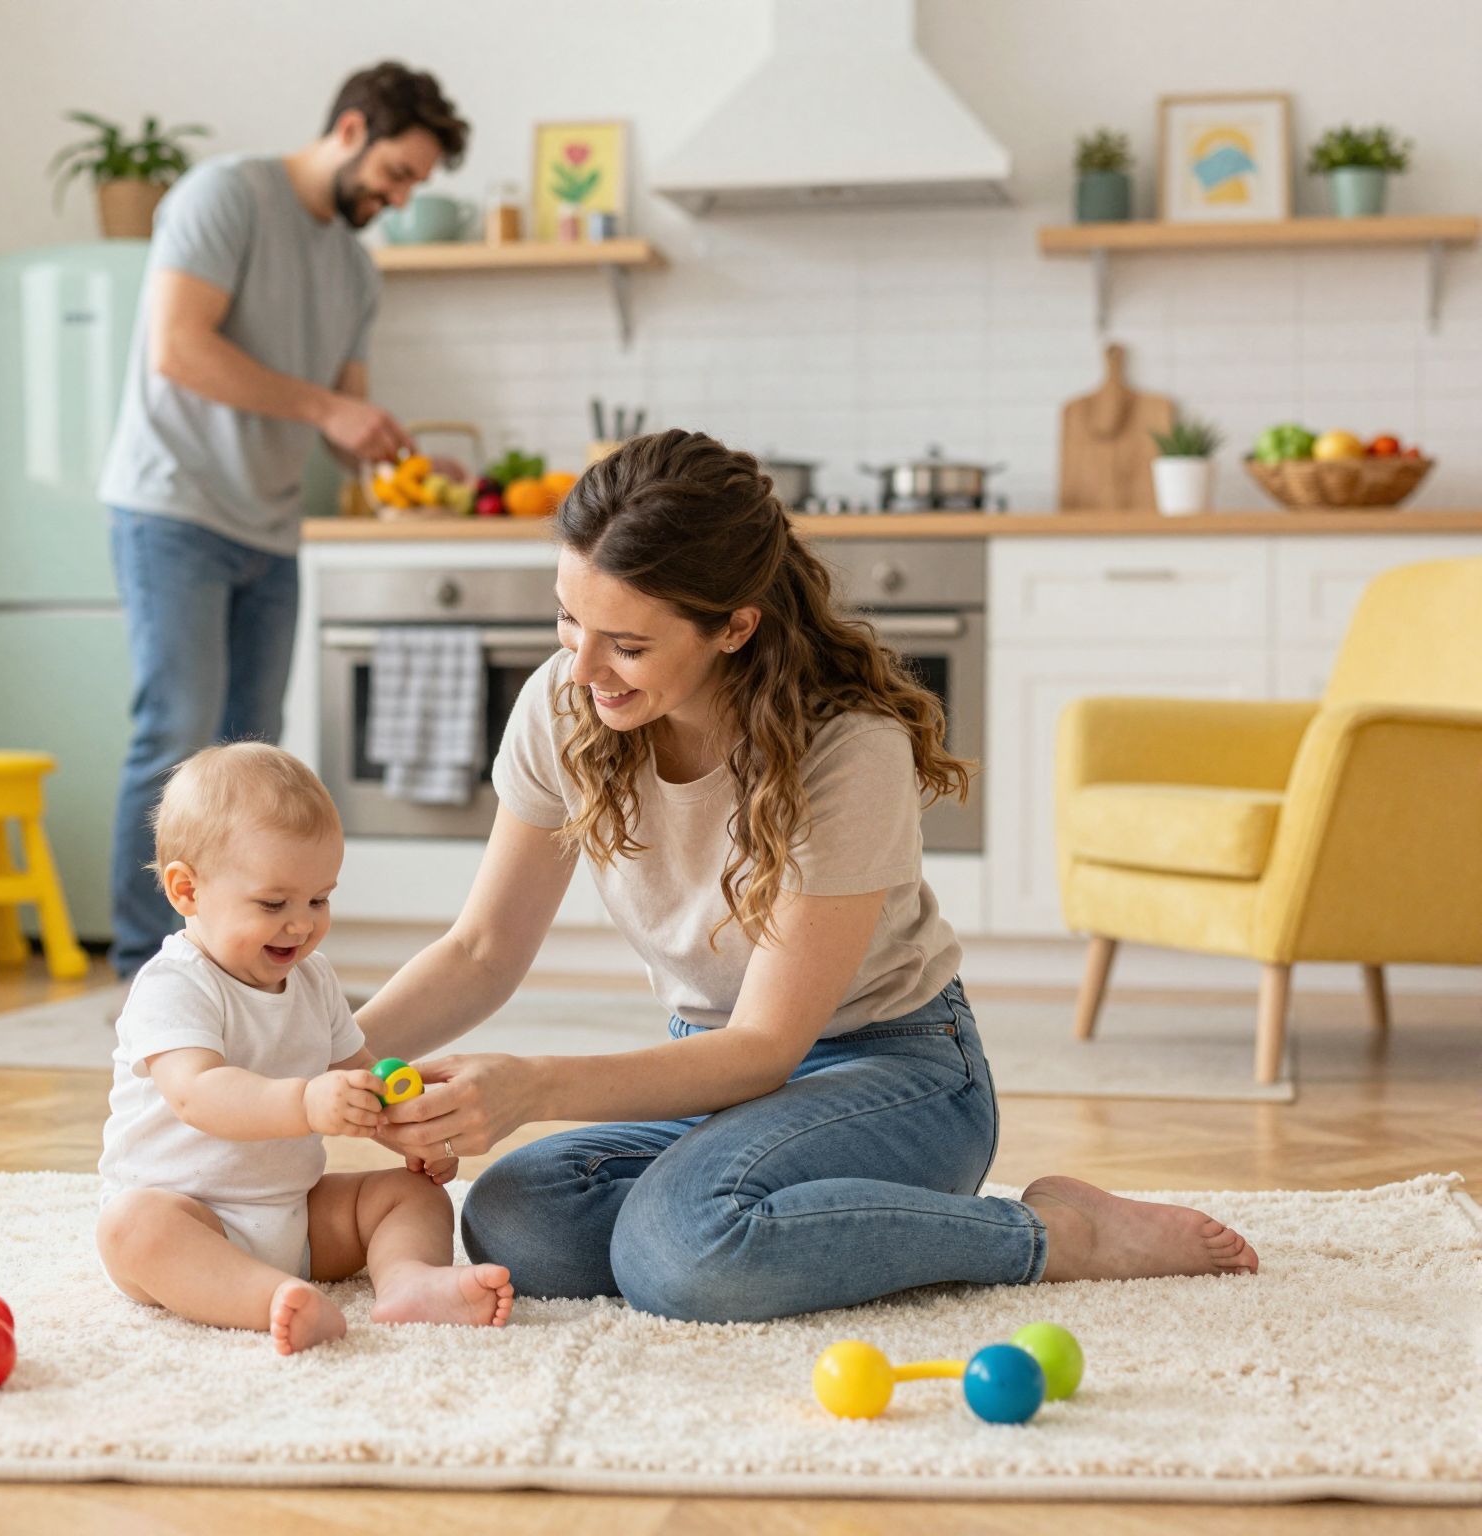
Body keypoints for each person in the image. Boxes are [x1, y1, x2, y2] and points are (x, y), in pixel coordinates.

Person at [360, 430, 1260, 1322]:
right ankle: (758, 1218)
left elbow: (765, 1047)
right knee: (518, 1215)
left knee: (681, 1254)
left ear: (734, 627)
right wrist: (314, 1058)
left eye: (626, 645)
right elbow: (481, 951)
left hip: (893, 1071)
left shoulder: (847, 748)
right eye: (568, 620)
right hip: (705, 1072)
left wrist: (534, 1085)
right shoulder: (565, 704)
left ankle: (1050, 1235)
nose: (582, 668)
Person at [99, 63, 469, 977]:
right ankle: (148, 963)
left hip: (267, 526)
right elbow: (179, 349)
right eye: (398, 171)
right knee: (176, 732)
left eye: (418, 182)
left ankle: (236, 961)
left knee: (251, 759)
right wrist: (325, 412)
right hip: (174, 505)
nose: (401, 194)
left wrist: (396, 454)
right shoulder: (226, 196)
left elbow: (342, 418)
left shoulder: (353, 270)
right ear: (351, 130)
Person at [94, 743, 513, 1355]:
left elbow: (358, 1074)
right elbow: (198, 1095)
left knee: (409, 1195)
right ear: (187, 890)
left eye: (319, 899)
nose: (302, 923)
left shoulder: (314, 980)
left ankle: (408, 1282)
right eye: (274, 903)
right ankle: (268, 1300)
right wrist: (307, 1103)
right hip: (188, 1215)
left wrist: (408, 1129)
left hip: (296, 1212)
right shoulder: (174, 984)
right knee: (131, 1230)